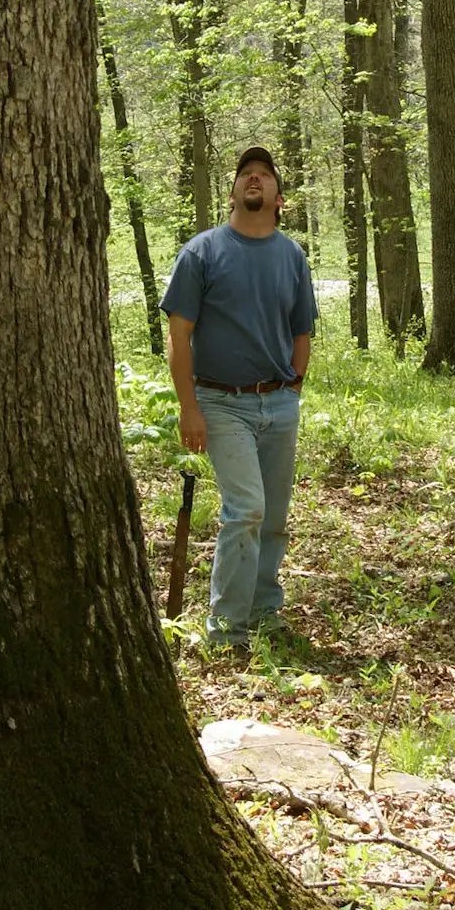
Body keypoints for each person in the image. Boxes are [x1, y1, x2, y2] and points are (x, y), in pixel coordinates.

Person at [162, 147, 318, 648]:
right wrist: (190, 407)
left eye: (264, 176)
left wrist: (293, 381)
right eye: (246, 175)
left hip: (278, 403)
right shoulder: (202, 252)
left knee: (273, 516)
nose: (255, 180)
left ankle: (264, 611)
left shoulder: (292, 255)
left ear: (278, 196)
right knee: (246, 508)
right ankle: (227, 629)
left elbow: (302, 328)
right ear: (233, 192)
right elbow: (178, 334)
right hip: (221, 403)